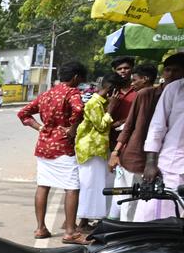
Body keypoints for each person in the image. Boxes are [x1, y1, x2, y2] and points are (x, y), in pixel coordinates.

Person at [16, 61, 87, 242]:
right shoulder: (72, 92)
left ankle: (40, 228)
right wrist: (72, 128)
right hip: (62, 146)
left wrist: (40, 127)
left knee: (43, 185)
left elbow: (23, 113)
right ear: (76, 77)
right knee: (72, 187)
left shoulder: (46, 94)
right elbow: (79, 109)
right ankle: (70, 232)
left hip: (44, 145)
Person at [110, 55, 184, 219]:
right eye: (168, 70)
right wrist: (116, 152)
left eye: (176, 70)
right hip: (147, 158)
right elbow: (147, 127)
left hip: (168, 161)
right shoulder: (153, 93)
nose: (171, 74)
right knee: (140, 205)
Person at [75, 73, 119, 232]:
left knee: (98, 184)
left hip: (98, 149)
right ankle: (83, 222)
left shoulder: (101, 102)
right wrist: (111, 108)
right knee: (89, 185)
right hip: (90, 150)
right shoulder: (94, 103)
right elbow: (101, 126)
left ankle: (91, 219)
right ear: (111, 89)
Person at [142, 62, 184, 221]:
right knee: (162, 219)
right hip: (173, 166)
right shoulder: (175, 89)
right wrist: (150, 163)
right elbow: (157, 126)